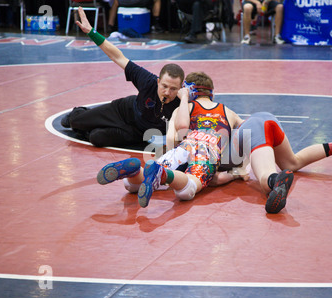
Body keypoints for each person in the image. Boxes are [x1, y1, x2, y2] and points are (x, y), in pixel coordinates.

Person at [97, 71, 245, 208]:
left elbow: (172, 138)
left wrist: (172, 155)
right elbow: (247, 132)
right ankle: (162, 174)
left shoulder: (184, 108)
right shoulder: (228, 112)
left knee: (133, 186)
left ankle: (135, 172)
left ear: (187, 91)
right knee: (187, 190)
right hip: (208, 150)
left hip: (185, 146)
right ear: (211, 92)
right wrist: (236, 172)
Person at [61, 6, 184, 148]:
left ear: (181, 88)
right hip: (123, 111)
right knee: (75, 121)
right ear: (158, 82)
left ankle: (88, 129)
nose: (168, 92)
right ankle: (78, 114)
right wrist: (91, 32)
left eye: (173, 89)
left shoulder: (183, 101)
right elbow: (117, 56)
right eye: (164, 86)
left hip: (137, 132)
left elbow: (206, 106)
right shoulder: (148, 81)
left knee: (97, 138)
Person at [218, 111, 332, 213]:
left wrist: (234, 174)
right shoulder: (223, 112)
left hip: (251, 130)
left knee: (265, 177)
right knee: (292, 163)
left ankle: (276, 181)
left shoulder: (203, 152)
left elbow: (214, 178)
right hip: (263, 119)